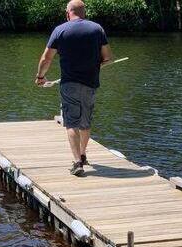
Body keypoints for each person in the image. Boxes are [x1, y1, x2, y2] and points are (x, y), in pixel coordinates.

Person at [35, 0, 112, 177]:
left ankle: (77, 162)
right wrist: (96, 64)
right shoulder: (97, 29)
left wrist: (40, 77)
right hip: (91, 83)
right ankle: (83, 154)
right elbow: (107, 57)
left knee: (71, 123)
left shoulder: (60, 30)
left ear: (68, 12)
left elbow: (46, 59)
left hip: (69, 84)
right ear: (83, 12)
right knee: (85, 122)